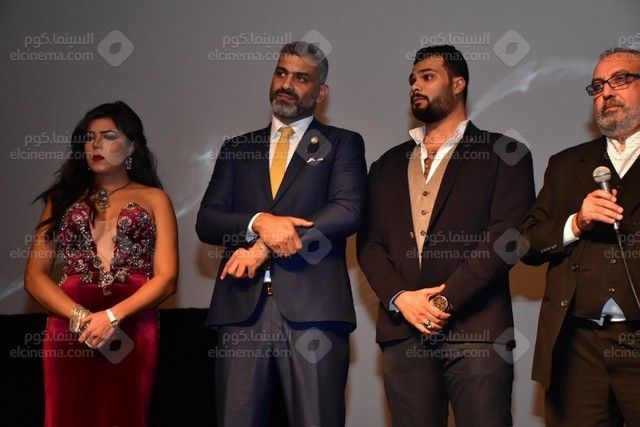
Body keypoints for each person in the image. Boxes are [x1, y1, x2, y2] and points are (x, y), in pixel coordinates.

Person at [357, 45, 535, 426]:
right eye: (412, 79)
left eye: (427, 77)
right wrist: (400, 298)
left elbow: (507, 237)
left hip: (478, 331)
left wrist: (443, 301)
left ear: (458, 84)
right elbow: (370, 245)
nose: (415, 86)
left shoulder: (505, 153)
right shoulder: (385, 165)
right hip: (403, 333)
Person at [196, 41, 366, 426]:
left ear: (321, 92)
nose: (287, 84)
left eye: (301, 78)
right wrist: (259, 221)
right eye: (281, 73)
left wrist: (263, 248)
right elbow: (207, 220)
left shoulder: (342, 143)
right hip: (241, 312)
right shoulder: (237, 148)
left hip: (314, 310)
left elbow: (347, 211)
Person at [24, 101, 178, 427]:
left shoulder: (155, 198)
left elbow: (166, 279)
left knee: (125, 415)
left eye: (108, 136)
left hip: (132, 323)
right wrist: (81, 317)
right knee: (66, 416)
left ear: (132, 146)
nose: (96, 145)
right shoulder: (62, 199)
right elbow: (34, 277)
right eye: (90, 137)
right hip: (69, 326)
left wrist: (111, 316)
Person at [521, 47, 640, 426]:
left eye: (620, 79)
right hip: (577, 347)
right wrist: (576, 222)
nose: (607, 92)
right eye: (598, 86)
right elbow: (527, 243)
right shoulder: (566, 164)